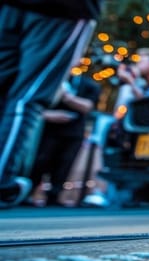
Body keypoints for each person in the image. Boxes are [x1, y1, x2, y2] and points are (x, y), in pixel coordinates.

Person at [0, 0, 102, 208]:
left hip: (12, 8)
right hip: (60, 10)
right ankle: (3, 181)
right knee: (26, 98)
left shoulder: (89, 85)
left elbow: (89, 106)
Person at [27, 71, 99, 207]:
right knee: (40, 161)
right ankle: (29, 193)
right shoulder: (50, 79)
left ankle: (54, 197)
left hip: (73, 131)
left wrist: (66, 96)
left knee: (64, 164)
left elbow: (88, 106)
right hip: (48, 130)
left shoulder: (86, 84)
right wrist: (47, 115)